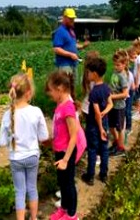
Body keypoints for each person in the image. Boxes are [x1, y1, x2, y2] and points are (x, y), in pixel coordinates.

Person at [0, 73, 49, 220]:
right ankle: (34, 218)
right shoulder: (36, 111)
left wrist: (11, 138)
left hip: (16, 158)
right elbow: (44, 137)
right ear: (29, 93)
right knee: (32, 188)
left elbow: (2, 142)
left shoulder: (7, 114)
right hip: (32, 156)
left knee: (19, 191)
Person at [46, 71, 79, 220]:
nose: (50, 96)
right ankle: (64, 209)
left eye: (51, 92)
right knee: (62, 183)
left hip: (67, 153)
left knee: (68, 184)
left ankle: (72, 215)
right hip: (60, 151)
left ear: (59, 88)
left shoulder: (68, 107)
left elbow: (74, 135)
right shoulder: (60, 105)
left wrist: (66, 159)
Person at [81, 57, 113, 186]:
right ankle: (104, 174)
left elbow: (96, 114)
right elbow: (110, 104)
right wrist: (106, 111)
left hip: (95, 126)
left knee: (93, 149)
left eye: (88, 72)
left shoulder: (94, 92)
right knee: (104, 149)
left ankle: (90, 176)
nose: (87, 74)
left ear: (94, 74)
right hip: (104, 122)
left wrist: (100, 129)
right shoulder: (106, 87)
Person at [52, 8, 89, 84]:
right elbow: (56, 49)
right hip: (64, 65)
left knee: (73, 86)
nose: (72, 20)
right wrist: (70, 54)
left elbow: (72, 45)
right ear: (64, 18)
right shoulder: (60, 31)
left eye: (73, 18)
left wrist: (82, 46)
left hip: (73, 63)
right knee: (65, 87)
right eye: (70, 18)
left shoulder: (71, 31)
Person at [108, 49, 129, 157]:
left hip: (119, 106)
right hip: (112, 105)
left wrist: (112, 96)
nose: (116, 67)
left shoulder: (123, 76)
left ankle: (121, 148)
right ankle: (117, 143)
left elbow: (125, 94)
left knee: (119, 128)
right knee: (111, 126)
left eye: (118, 65)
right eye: (114, 65)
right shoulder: (115, 73)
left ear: (124, 64)